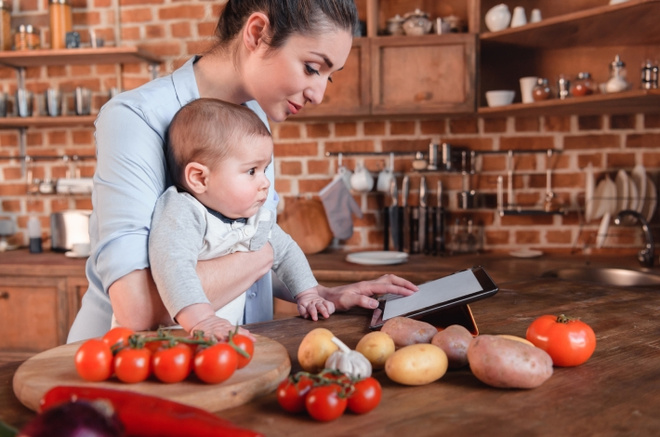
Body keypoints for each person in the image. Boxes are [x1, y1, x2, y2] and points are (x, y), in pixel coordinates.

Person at [67, 0, 418, 343]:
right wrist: (265, 252)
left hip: (225, 358)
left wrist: (315, 291)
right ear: (257, 33)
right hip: (121, 367)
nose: (319, 94)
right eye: (312, 68)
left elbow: (236, 247)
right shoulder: (134, 118)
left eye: (330, 77)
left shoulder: (255, 119)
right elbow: (137, 308)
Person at [149, 98, 334, 340]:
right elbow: (173, 266)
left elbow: (286, 251)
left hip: (214, 342)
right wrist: (203, 318)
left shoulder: (254, 218)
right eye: (251, 171)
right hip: (164, 342)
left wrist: (308, 293)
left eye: (264, 169)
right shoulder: (183, 211)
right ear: (200, 178)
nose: (265, 182)